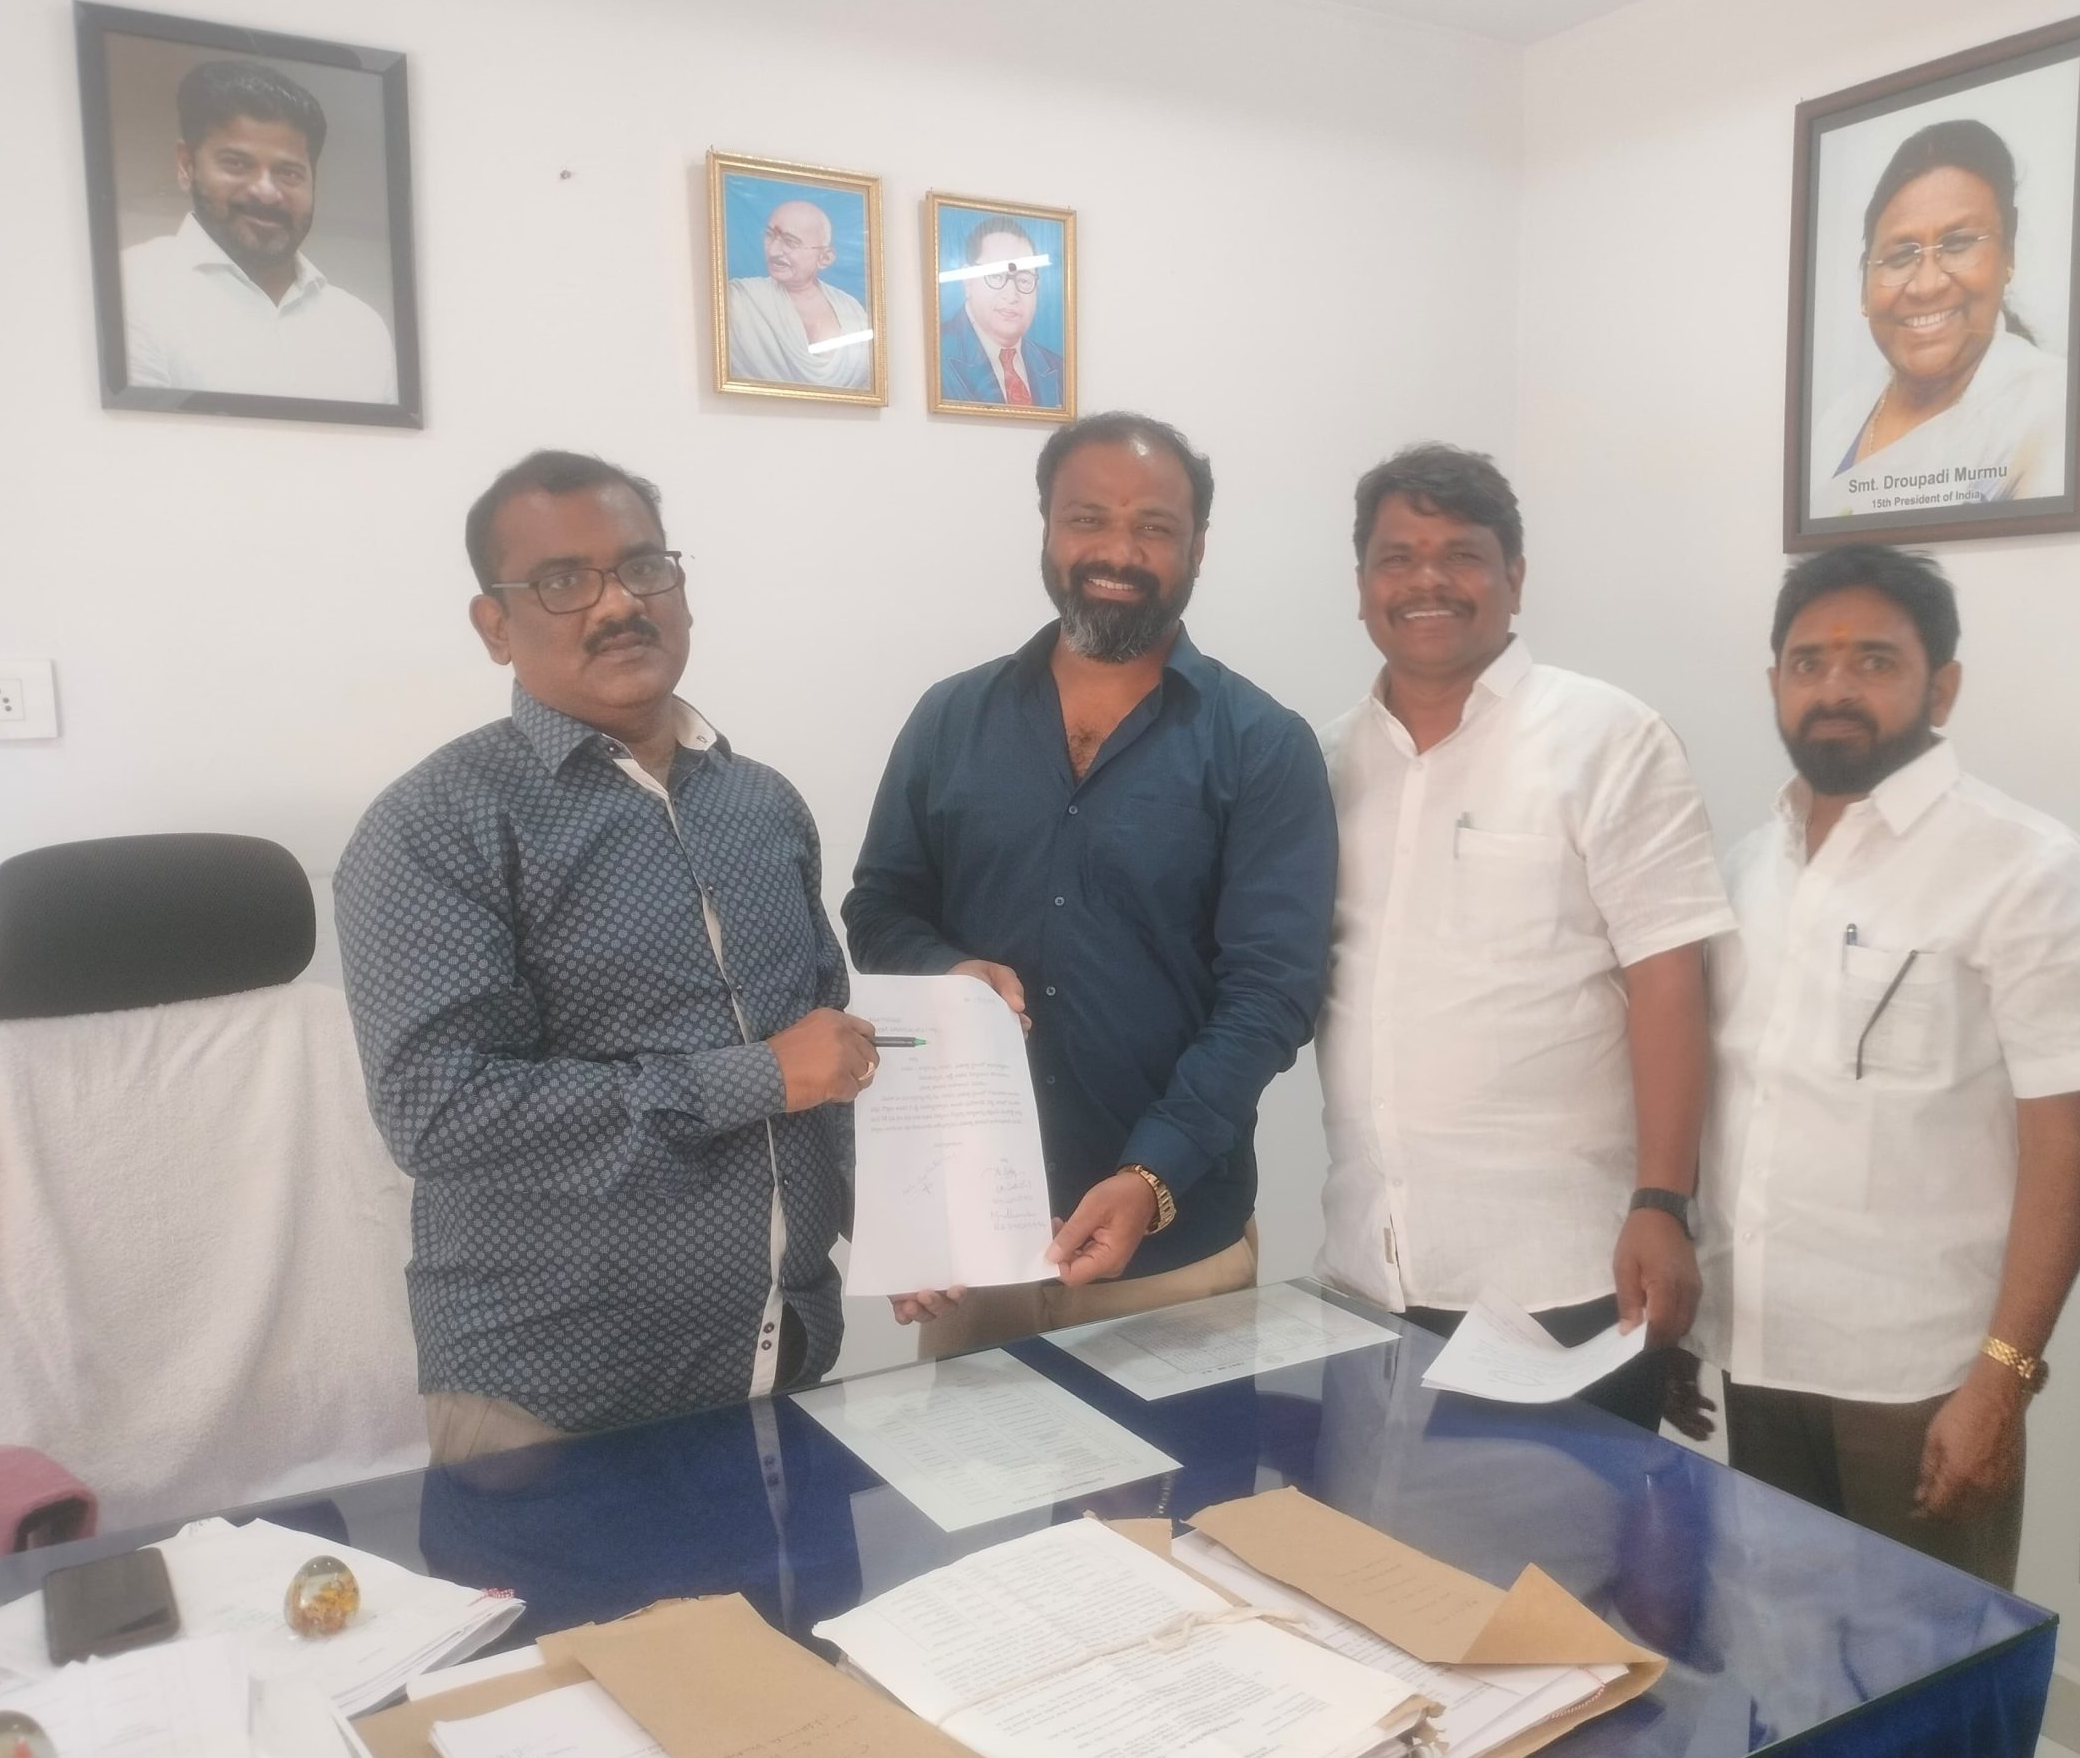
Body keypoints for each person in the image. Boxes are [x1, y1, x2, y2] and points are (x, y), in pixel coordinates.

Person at [335, 451, 875, 1463]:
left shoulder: (763, 804)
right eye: (561, 581)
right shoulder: (438, 825)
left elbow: (828, 1053)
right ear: (495, 626)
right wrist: (757, 1078)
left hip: (790, 1356)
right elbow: (439, 1113)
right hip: (557, 1399)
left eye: (643, 567)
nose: (618, 603)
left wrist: (909, 1226)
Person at [1695, 545, 2080, 1586]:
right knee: (1780, 1648)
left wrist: (2003, 1379)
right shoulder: (1747, 869)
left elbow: (2065, 1150)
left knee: (1931, 1664)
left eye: (1874, 661)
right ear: (1773, 682)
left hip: (1924, 1379)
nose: (1835, 688)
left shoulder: (2030, 872)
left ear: (1941, 687)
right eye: (1807, 663)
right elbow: (1731, 1109)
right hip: (1759, 1353)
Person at [845, 412, 1334, 1353]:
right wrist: (949, 971)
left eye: (1154, 526)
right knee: (973, 1460)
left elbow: (1272, 995)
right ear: (1046, 528)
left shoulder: (1263, 746)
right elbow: (879, 907)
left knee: (1187, 1465)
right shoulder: (950, 719)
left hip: (1173, 1259)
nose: (1118, 551)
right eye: (1087, 519)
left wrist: (1152, 1175)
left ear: (1198, 547)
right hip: (976, 1252)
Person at [1313, 445, 1733, 1430]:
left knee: (1563, 1534)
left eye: (1460, 555)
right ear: (1362, 585)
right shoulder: (1324, 762)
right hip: (1365, 1271)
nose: (1426, 581)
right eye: (1396, 558)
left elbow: (1671, 981)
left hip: (1563, 1283)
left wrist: (1664, 1206)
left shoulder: (1609, 739)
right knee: (1361, 1532)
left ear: (1515, 576)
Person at [1810, 118, 2065, 519]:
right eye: (1899, 257)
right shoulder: (1837, 423)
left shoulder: (2050, 407)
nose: (1927, 285)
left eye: (1958, 244)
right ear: (1864, 287)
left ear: (2008, 252)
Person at [121, 58, 398, 403]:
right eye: (236, 164)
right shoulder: (132, 288)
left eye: (289, 172)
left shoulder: (362, 329)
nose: (266, 192)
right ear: (186, 166)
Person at [724, 198, 874, 392]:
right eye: (769, 236)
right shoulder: (740, 299)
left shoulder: (852, 311)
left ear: (825, 258)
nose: (773, 250)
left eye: (790, 242)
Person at [937, 215, 1063, 409]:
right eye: (996, 276)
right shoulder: (937, 354)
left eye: (1024, 280)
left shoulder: (1058, 367)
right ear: (968, 280)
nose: (1011, 295)